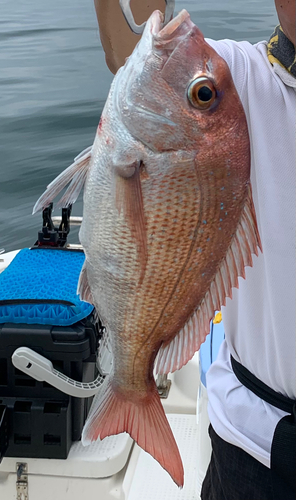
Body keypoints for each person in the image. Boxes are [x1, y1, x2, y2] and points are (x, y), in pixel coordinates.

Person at [93, 1, 296, 498]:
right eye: (202, 94)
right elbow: (128, 46)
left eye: (203, 93)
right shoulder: (236, 81)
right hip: (256, 442)